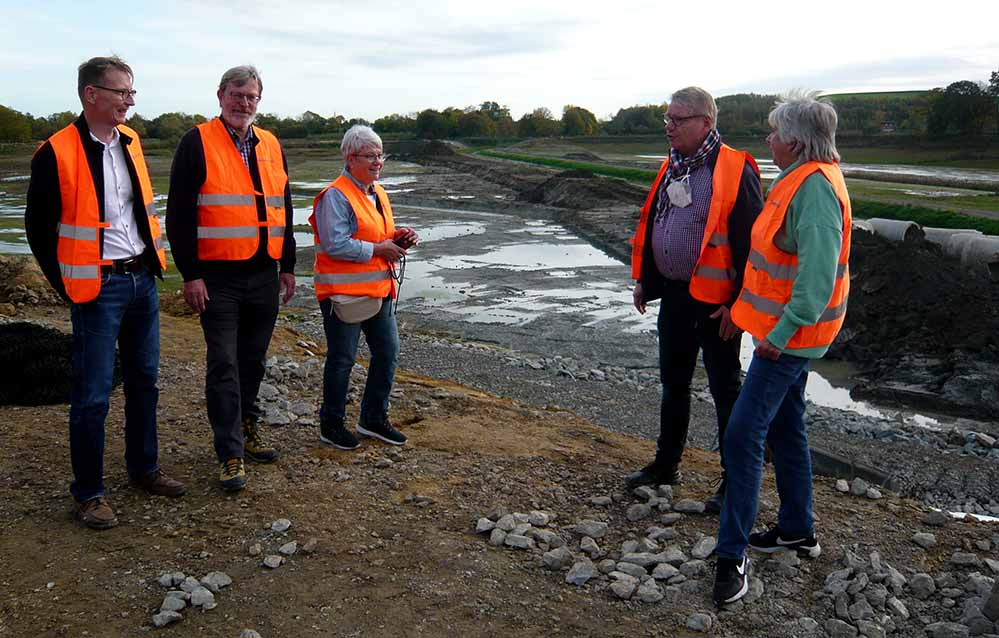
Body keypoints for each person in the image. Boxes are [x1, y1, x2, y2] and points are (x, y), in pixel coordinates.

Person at [25, 56, 185, 529]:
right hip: (97, 288)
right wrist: (68, 285)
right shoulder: (55, 152)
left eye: (132, 92)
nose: (129, 101)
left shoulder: (131, 142)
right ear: (91, 95)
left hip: (142, 279)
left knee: (145, 383)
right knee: (93, 395)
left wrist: (152, 264)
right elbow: (37, 229)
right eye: (122, 93)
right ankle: (89, 494)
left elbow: (139, 210)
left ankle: (144, 469)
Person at [713, 91, 852, 606]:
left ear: (793, 140)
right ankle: (798, 528)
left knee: (743, 435)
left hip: (787, 341)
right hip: (782, 335)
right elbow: (772, 265)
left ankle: (732, 557)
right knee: (786, 427)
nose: (768, 139)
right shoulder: (798, 178)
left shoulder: (813, 190)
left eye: (773, 132)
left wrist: (779, 333)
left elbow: (814, 282)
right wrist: (742, 313)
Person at [627, 87, 764, 513]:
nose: (669, 126)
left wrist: (739, 305)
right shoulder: (673, 166)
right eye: (667, 119)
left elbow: (751, 245)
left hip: (717, 304)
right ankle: (666, 465)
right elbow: (656, 224)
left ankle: (734, 480)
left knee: (726, 391)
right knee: (674, 385)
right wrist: (645, 282)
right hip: (674, 295)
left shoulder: (734, 168)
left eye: (678, 119)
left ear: (706, 122)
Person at [166, 65, 296, 492]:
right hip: (217, 278)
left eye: (251, 96)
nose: (244, 103)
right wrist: (191, 274)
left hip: (263, 274)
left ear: (260, 100)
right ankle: (230, 452)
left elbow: (284, 209)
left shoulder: (272, 144)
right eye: (236, 94)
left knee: (252, 362)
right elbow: (179, 215)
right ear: (220, 96)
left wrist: (289, 266)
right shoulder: (196, 142)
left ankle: (248, 426)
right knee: (223, 363)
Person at [309, 125, 419, 450]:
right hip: (343, 296)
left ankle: (372, 418)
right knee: (342, 360)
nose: (377, 162)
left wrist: (399, 236)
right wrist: (379, 250)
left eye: (379, 155)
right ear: (350, 157)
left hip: (379, 291)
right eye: (370, 156)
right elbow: (335, 244)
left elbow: (375, 233)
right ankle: (331, 425)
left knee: (388, 353)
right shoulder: (335, 195)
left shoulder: (377, 192)